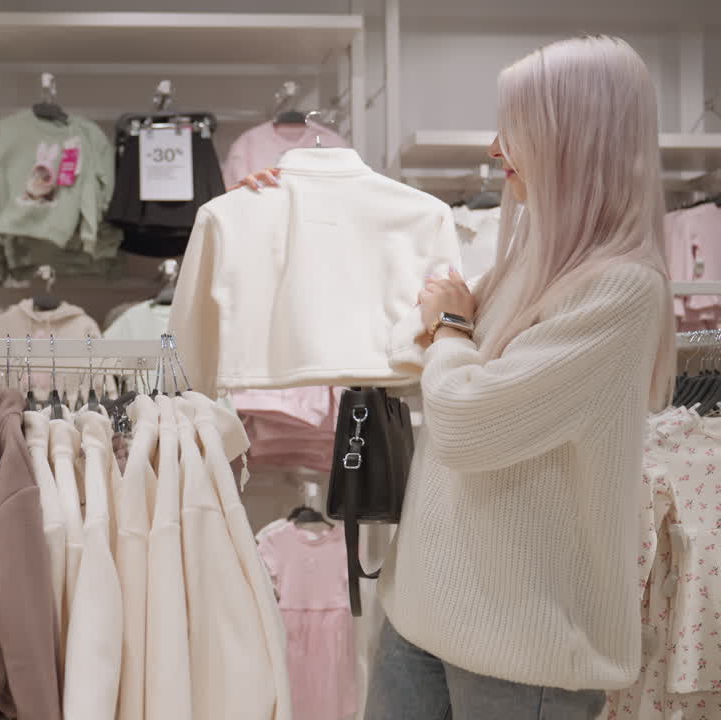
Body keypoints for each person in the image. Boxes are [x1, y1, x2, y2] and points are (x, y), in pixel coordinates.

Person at [237, 35, 674, 720]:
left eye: (519, 130)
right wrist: (275, 219)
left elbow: (469, 423)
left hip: (523, 654)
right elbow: (408, 348)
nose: (498, 150)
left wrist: (451, 327)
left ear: (575, 141)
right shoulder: (529, 259)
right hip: (422, 614)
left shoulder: (621, 290)